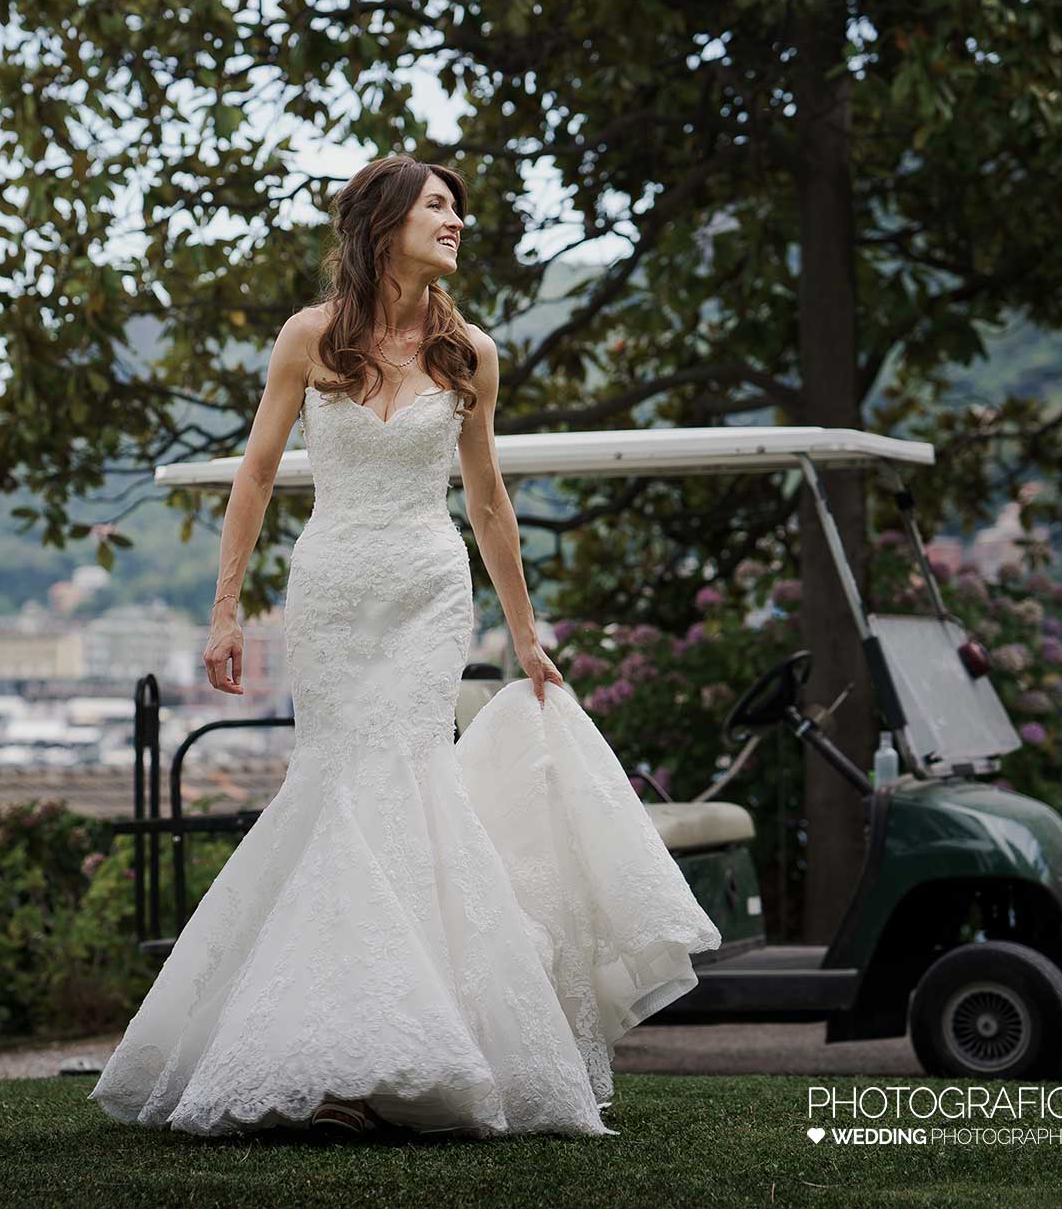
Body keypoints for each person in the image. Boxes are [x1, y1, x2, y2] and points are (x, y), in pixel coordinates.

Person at [89, 154, 721, 1139]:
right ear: (384, 221)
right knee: (339, 786)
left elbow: (486, 498)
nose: (454, 220)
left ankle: (422, 1050)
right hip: (335, 594)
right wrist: (224, 610)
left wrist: (526, 632)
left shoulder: (471, 352)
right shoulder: (308, 336)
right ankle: (337, 1048)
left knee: (409, 784)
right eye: (436, 205)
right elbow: (255, 474)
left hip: (429, 593)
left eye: (457, 207)